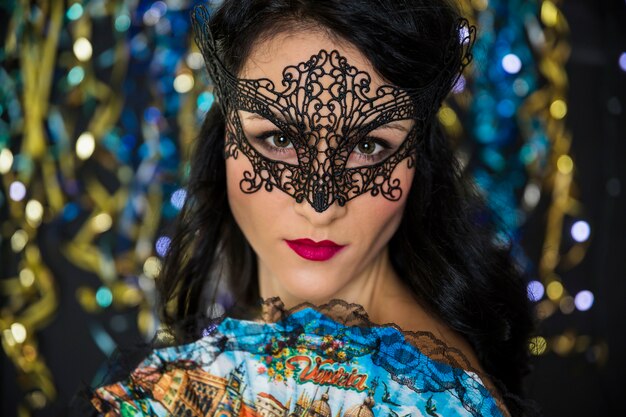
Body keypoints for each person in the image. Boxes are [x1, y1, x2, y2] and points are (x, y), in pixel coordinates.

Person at [81, 0, 538, 416]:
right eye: (279, 140)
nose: (319, 205)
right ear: (225, 135)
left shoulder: (421, 400)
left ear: (417, 155)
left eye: (367, 145)